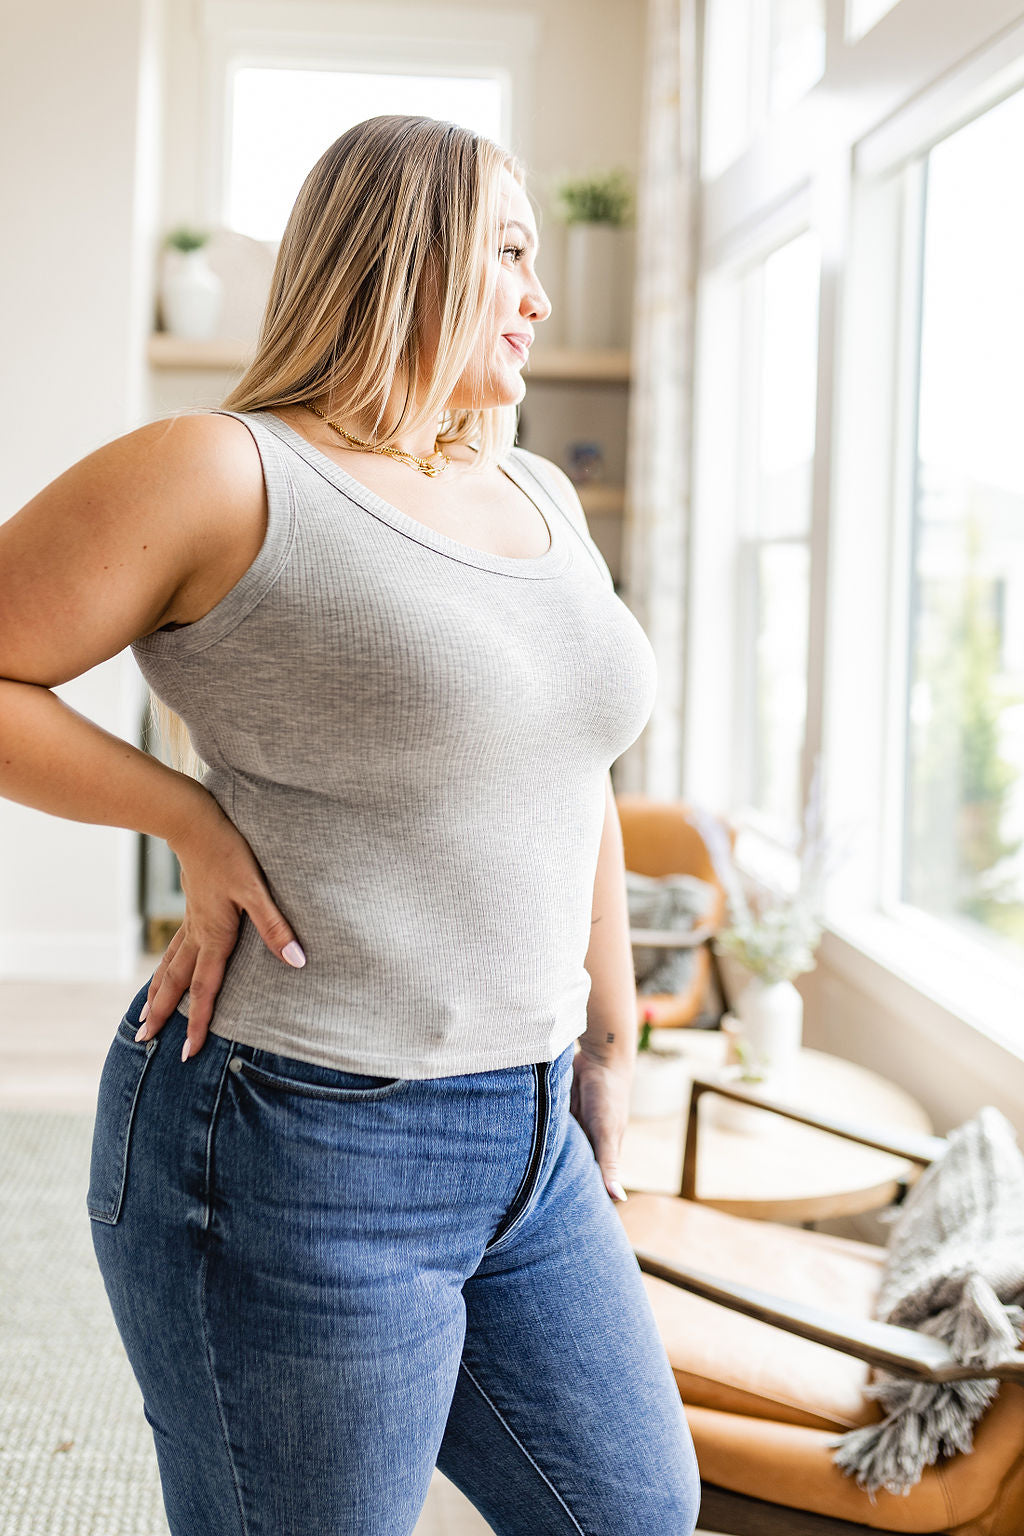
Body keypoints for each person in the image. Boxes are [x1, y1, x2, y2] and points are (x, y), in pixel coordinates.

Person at [0, 114, 701, 1534]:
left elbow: (576, 776)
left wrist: (609, 1047)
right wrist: (186, 820)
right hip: (296, 1137)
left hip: (530, 1131)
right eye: (510, 249)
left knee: (632, 1509)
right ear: (411, 254)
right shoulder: (225, 471)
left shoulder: (536, 494)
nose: (539, 293)